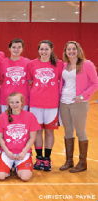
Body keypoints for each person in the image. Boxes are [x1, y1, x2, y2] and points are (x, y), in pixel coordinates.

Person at [59, 41, 98, 173]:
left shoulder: (87, 64)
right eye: (68, 49)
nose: (71, 51)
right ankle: (69, 161)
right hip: (64, 103)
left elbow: (95, 83)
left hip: (79, 104)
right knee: (68, 132)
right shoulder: (65, 65)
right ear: (65, 51)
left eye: (73, 49)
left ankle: (82, 163)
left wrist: (82, 96)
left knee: (80, 132)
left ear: (78, 50)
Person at [27, 40, 63, 171]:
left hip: (52, 104)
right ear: (38, 50)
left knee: (49, 132)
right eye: (41, 49)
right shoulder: (32, 64)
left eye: (46, 49)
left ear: (51, 49)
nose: (44, 52)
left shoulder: (59, 64)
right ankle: (39, 158)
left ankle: (47, 159)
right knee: (37, 131)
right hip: (36, 103)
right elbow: (30, 80)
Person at [0, 93, 40, 181]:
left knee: (25, 178)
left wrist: (24, 152)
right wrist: (7, 151)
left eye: (17, 102)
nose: (14, 105)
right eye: (12, 102)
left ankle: (16, 166)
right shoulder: (2, 117)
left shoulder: (30, 116)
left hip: (23, 152)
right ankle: (7, 163)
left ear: (22, 103)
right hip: (7, 152)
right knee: (0, 176)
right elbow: (0, 138)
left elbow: (32, 138)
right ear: (8, 104)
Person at [0, 39, 30, 113]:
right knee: (5, 122)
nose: (16, 49)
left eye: (19, 47)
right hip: (6, 99)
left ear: (22, 49)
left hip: (22, 99)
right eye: (14, 47)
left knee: (21, 123)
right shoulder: (3, 62)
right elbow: (0, 79)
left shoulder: (28, 62)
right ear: (9, 48)